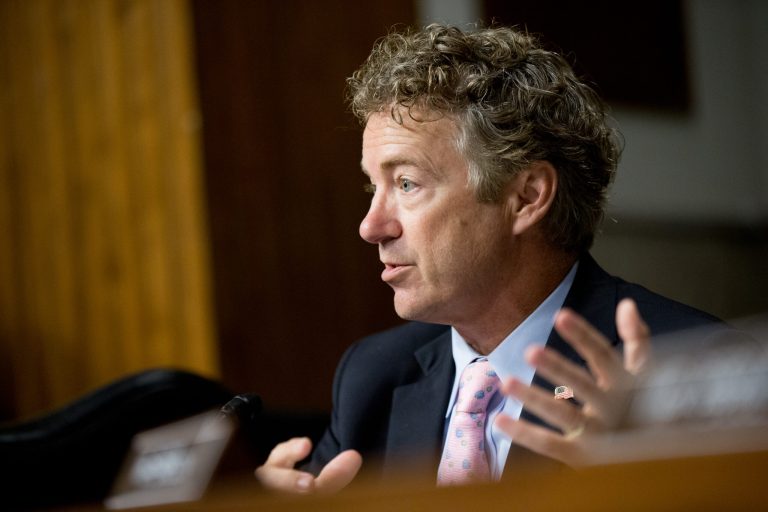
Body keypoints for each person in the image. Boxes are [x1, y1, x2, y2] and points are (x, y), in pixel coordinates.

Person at [254, 23, 723, 493]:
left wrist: (642, 486)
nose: (371, 226)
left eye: (407, 184)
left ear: (526, 197)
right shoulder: (373, 378)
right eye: (372, 186)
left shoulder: (689, 365)